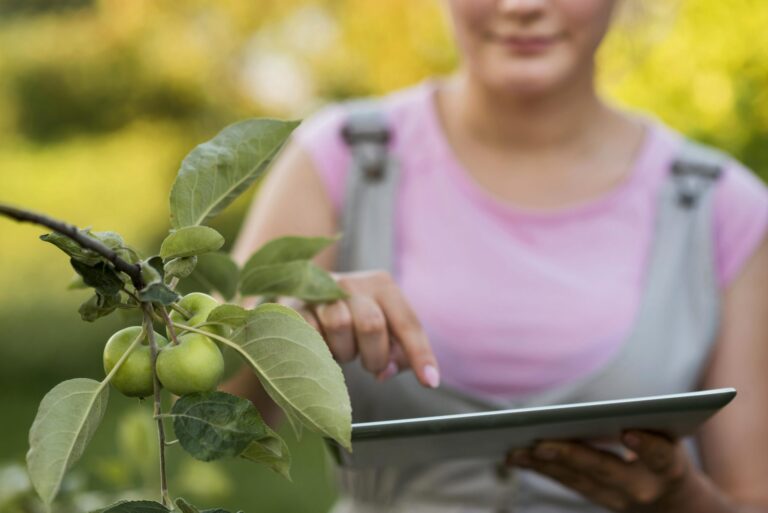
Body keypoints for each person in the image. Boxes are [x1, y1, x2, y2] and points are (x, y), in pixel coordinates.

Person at [224, 1, 768, 512]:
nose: (522, 6)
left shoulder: (724, 208)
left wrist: (683, 500)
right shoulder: (339, 157)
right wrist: (282, 325)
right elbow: (220, 405)